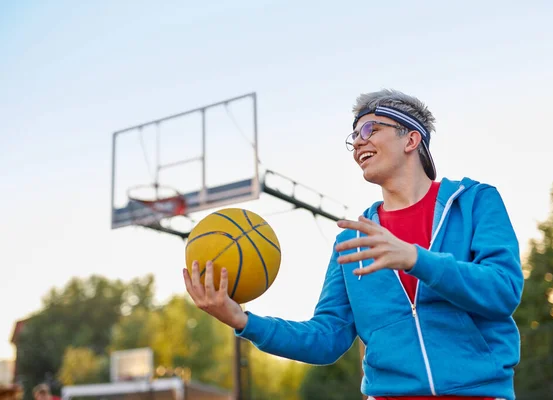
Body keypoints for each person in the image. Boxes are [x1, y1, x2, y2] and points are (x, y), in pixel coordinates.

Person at [183, 89, 524, 400]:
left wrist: (415, 258)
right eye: (353, 137)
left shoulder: (475, 202)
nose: (358, 143)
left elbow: (503, 290)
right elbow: (326, 338)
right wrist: (243, 321)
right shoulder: (353, 240)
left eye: (370, 130)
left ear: (411, 139)